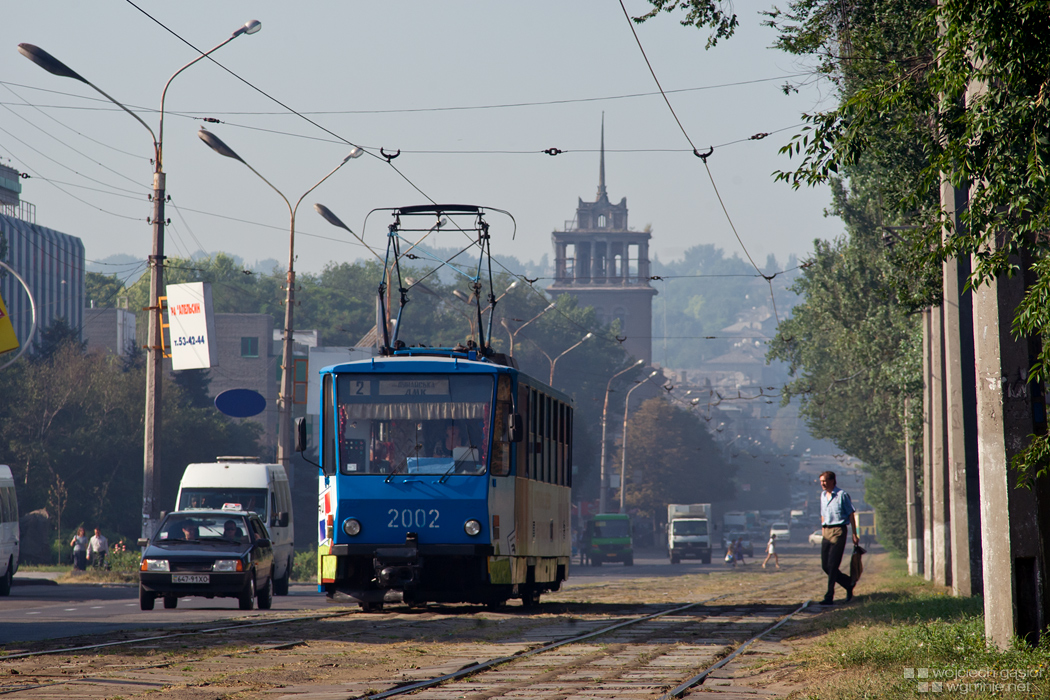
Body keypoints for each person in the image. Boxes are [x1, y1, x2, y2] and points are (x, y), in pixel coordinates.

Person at [819, 470, 859, 604]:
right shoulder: (823, 495)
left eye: (824, 481)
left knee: (833, 563)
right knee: (825, 565)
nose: (822, 484)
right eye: (821, 482)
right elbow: (823, 514)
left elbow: (851, 514)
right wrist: (822, 527)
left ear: (832, 481)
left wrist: (854, 533)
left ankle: (829, 596)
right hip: (826, 531)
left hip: (838, 530)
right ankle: (848, 583)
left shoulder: (842, 495)